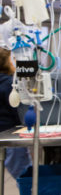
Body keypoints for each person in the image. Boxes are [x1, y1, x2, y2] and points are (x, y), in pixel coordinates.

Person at [0, 48, 31, 179]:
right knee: (22, 173)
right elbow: (17, 110)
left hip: (4, 133)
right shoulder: (8, 84)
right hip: (10, 134)